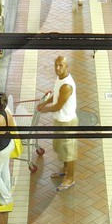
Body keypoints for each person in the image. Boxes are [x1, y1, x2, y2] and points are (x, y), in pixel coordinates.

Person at [34, 55, 78, 189]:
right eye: (56, 65)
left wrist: (44, 109)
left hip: (67, 122)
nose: (57, 68)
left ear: (67, 67)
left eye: (61, 65)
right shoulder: (60, 79)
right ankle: (65, 170)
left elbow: (59, 105)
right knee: (61, 148)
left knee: (69, 152)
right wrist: (46, 102)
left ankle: (70, 178)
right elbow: (56, 94)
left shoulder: (67, 85)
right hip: (60, 120)